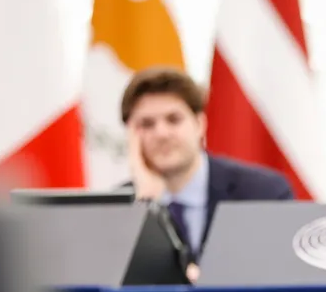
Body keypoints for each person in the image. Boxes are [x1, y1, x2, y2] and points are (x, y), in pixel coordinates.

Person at [122, 67, 294, 280]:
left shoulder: (264, 193)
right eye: (146, 124)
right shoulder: (117, 210)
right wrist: (148, 206)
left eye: (173, 119)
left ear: (200, 124)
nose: (161, 134)